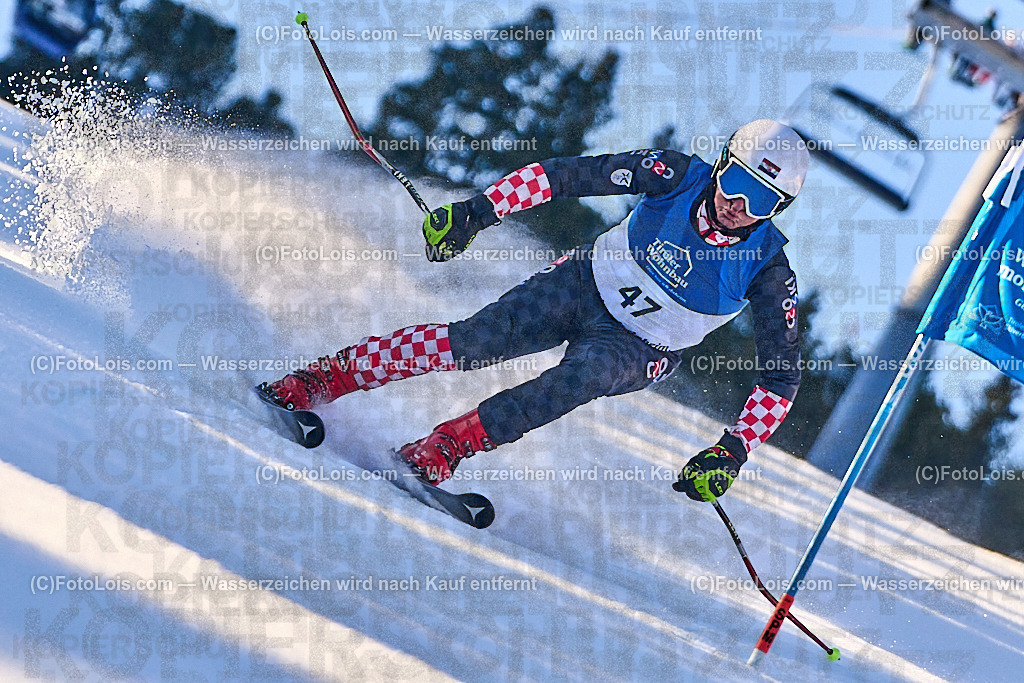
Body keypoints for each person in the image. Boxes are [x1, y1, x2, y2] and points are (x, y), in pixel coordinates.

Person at [258, 119, 809, 503]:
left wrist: (731, 451)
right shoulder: (673, 174)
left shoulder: (768, 269)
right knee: (473, 341)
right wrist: (477, 213)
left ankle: (445, 446)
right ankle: (322, 378)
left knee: (578, 379)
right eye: (737, 182)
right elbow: (562, 176)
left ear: (777, 209)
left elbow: (781, 377)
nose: (739, 204)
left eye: (760, 199)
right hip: (583, 282)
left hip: (640, 347)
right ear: (721, 166)